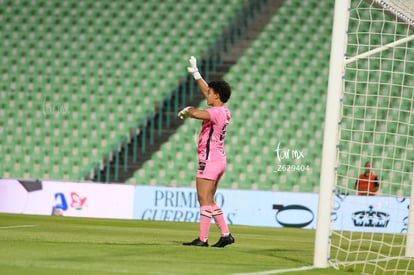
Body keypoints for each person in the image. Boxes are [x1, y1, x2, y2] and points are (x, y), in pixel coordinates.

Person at [178, 56, 235, 248]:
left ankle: (202, 239)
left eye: (210, 93)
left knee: (203, 199)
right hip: (219, 160)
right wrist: (196, 74)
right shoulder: (224, 111)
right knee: (210, 199)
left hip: (209, 160)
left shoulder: (216, 113)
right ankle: (226, 235)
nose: (206, 95)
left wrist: (188, 109)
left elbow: (196, 113)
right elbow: (206, 93)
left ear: (217, 95)